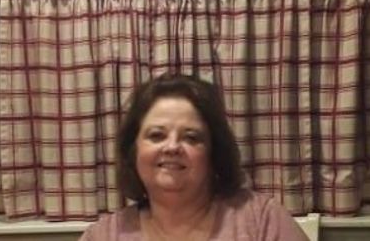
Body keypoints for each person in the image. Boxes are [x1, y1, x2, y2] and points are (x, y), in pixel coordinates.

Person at [79, 73, 308, 240]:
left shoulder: (262, 220)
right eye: (157, 135)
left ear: (213, 153)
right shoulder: (103, 236)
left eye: (191, 137)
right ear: (133, 150)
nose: (172, 147)